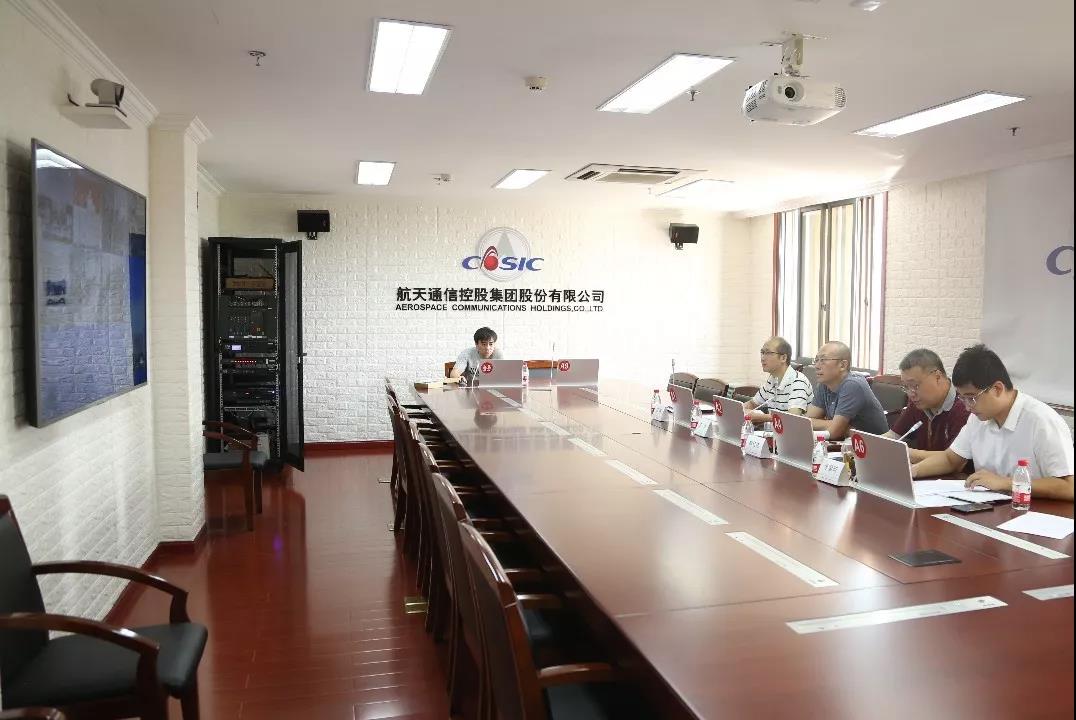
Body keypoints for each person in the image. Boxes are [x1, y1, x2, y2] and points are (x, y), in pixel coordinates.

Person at [911, 344, 1073, 500]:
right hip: (989, 507)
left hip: (1034, 511)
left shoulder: (1041, 421)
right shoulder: (978, 418)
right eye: (962, 398)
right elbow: (950, 459)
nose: (967, 407)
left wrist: (1006, 483)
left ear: (997, 389)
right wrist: (912, 471)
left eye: (971, 398)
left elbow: (1069, 487)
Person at [885, 348, 971, 462]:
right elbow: (894, 436)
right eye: (906, 387)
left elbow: (952, 461)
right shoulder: (917, 403)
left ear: (937, 377)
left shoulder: (964, 407)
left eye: (915, 386)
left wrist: (903, 452)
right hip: (921, 470)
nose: (911, 394)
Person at [806, 341, 888, 439]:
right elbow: (808, 421)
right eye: (816, 360)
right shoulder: (825, 383)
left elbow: (833, 433)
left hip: (872, 445)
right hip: (845, 442)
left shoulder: (853, 385)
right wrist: (838, 426)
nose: (817, 366)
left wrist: (836, 427)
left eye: (823, 360)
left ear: (843, 365)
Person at [744, 336, 813, 423]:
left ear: (783, 358)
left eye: (768, 353)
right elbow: (752, 404)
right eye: (762, 353)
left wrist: (760, 417)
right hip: (775, 430)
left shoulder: (798, 381)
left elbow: (792, 417)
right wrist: (741, 410)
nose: (763, 358)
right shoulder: (771, 380)